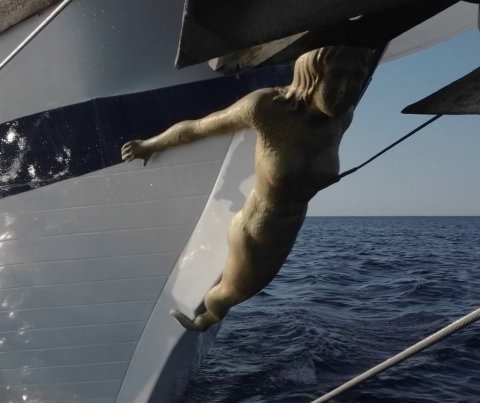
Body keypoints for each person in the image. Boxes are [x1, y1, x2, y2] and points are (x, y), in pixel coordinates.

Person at [121, 46, 373, 331]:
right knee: (229, 296)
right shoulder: (266, 107)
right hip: (253, 232)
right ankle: (200, 321)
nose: (347, 88)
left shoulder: (342, 119)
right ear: (310, 75)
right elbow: (199, 127)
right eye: (336, 75)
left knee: (244, 293)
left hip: (288, 232)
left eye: (357, 76)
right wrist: (149, 145)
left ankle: (209, 317)